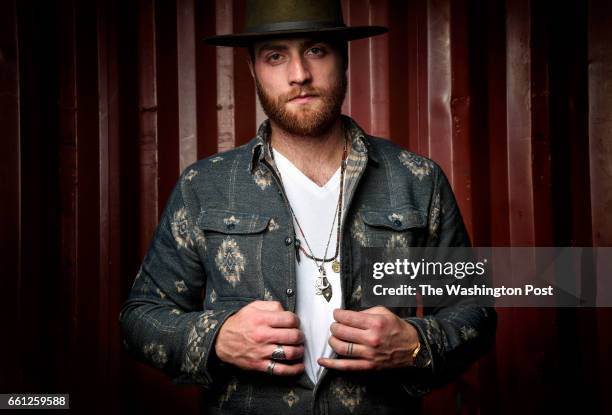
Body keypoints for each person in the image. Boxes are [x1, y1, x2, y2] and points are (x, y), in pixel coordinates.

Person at [119, 0, 497, 413]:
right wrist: (218, 336)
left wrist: (414, 345)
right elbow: (140, 318)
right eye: (275, 56)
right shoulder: (203, 187)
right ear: (252, 69)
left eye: (316, 50)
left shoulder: (417, 180)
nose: (299, 75)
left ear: (345, 58)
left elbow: (473, 312)